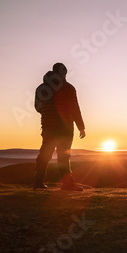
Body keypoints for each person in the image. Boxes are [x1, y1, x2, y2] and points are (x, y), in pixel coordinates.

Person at [33, 63, 86, 191]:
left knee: (45, 154)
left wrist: (47, 114)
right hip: (65, 127)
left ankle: (38, 182)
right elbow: (75, 108)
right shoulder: (68, 88)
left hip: (47, 126)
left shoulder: (42, 88)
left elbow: (37, 107)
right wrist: (81, 127)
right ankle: (67, 184)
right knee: (64, 156)